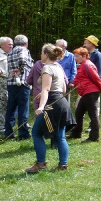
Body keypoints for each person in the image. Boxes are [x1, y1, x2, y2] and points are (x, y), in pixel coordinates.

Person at [25, 44, 75, 173]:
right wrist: (46, 93)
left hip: (51, 104)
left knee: (36, 132)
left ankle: (41, 163)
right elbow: (63, 89)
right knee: (60, 136)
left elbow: (46, 88)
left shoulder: (46, 68)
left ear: (46, 54)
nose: (40, 55)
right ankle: (63, 165)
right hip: (62, 103)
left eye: (42, 52)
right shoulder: (58, 66)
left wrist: (41, 106)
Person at [67, 47, 101, 142]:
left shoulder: (88, 65)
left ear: (84, 56)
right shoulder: (82, 65)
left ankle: (94, 137)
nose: (75, 58)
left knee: (93, 114)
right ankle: (77, 133)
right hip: (85, 92)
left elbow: (96, 78)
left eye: (77, 56)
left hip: (90, 92)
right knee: (79, 112)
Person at [5, 34, 34, 140]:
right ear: (26, 43)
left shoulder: (11, 51)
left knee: (11, 109)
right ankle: (23, 133)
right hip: (21, 83)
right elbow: (22, 60)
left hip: (11, 83)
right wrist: (21, 69)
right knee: (23, 109)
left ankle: (8, 132)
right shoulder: (23, 49)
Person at [83, 35, 101, 129]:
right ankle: (79, 126)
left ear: (91, 44)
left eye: (86, 43)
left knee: (94, 106)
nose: (84, 44)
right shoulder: (89, 55)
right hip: (86, 85)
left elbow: (99, 71)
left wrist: (96, 84)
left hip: (94, 85)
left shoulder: (97, 55)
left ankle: (93, 126)